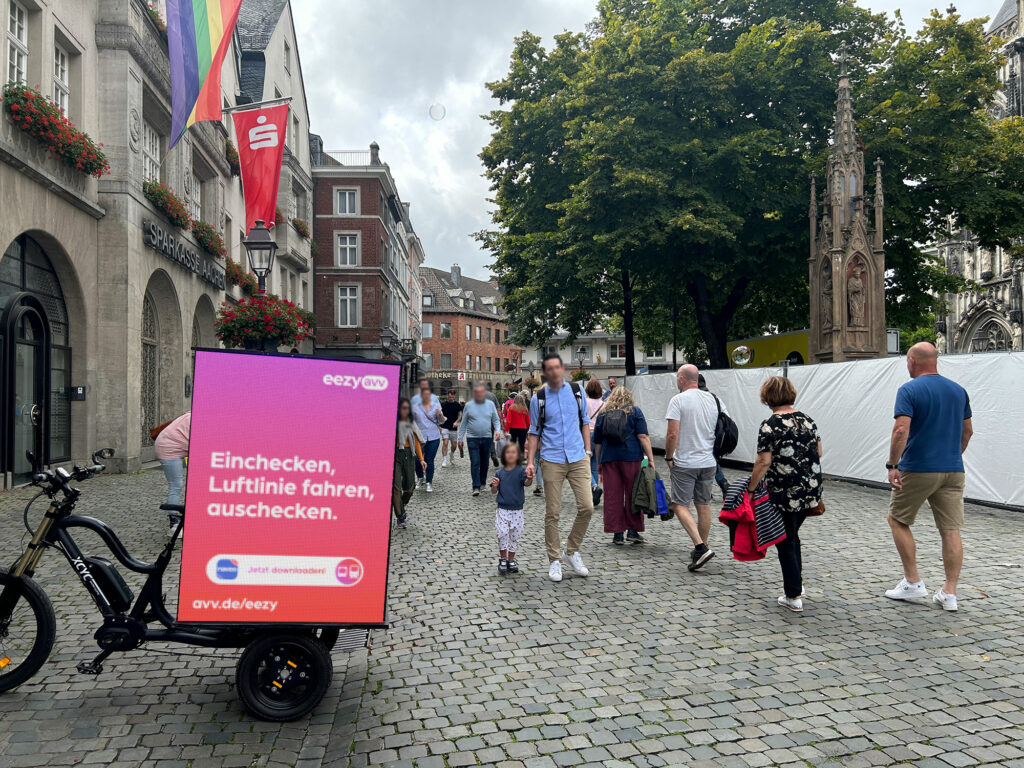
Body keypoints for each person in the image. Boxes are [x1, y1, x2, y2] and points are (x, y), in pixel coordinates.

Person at [884, 342, 973, 612]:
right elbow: (967, 431)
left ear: (912, 361)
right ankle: (949, 593)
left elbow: (901, 429)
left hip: (918, 467)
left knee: (897, 519)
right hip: (953, 469)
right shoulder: (959, 391)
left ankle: (913, 582)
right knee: (950, 529)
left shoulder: (909, 390)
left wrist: (892, 464)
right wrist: (952, 454)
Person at [746, 377, 823, 613]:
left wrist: (750, 488)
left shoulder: (770, 425)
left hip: (784, 491)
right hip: (810, 488)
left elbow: (763, 461)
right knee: (791, 536)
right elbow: (819, 451)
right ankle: (796, 583)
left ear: (767, 397)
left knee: (785, 540)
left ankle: (793, 594)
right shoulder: (807, 420)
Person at [526, 353, 594, 583]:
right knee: (552, 512)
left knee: (587, 507)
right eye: (550, 369)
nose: (554, 372)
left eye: (558, 367)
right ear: (545, 373)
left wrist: (587, 451)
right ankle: (555, 559)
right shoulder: (539, 399)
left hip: (577, 457)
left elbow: (585, 421)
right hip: (552, 458)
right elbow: (534, 432)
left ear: (562, 368)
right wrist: (529, 463)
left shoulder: (576, 391)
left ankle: (572, 550)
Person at [665, 364, 727, 572]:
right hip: (709, 461)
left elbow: (672, 434)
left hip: (685, 461)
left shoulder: (678, 400)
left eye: (677, 377)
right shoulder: (714, 399)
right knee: (704, 504)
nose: (676, 380)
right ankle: (703, 546)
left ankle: (700, 547)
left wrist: (668, 456)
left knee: (679, 505)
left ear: (682, 379)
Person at [594, 387, 656, 545]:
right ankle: (633, 531)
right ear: (629, 397)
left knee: (612, 496)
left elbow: (598, 441)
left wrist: (600, 461)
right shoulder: (635, 412)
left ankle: (617, 533)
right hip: (631, 457)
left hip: (609, 458)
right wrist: (650, 459)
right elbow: (643, 436)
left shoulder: (603, 413)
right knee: (633, 493)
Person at [490, 442, 532, 575]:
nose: (510, 455)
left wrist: (530, 478)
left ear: (518, 455)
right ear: (503, 455)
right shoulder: (499, 472)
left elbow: (526, 483)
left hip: (517, 509)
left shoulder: (520, 471)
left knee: (515, 535)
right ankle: (502, 558)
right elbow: (493, 491)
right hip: (502, 509)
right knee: (502, 533)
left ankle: (511, 559)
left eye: (513, 452)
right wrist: (495, 485)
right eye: (508, 452)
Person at [457, 383, 502, 496]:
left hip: (487, 438)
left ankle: (482, 482)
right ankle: (476, 486)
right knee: (475, 462)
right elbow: (463, 423)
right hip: (472, 438)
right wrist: (460, 438)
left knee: (485, 463)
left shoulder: (490, 404)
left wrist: (497, 431)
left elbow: (496, 420)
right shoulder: (469, 405)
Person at [393, 398, 426, 529]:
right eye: (403, 408)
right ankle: (400, 517)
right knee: (396, 488)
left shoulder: (410, 422)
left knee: (410, 488)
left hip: (408, 454)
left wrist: (422, 459)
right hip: (394, 455)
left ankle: (400, 504)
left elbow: (416, 442)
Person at [154, 411, 190, 533]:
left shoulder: (194, 415)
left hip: (178, 446)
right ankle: (174, 523)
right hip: (169, 449)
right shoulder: (197, 420)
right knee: (176, 485)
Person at [698, 374, 731, 498]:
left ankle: (713, 486)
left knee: (704, 462)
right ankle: (721, 484)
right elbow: (727, 417)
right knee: (711, 461)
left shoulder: (695, 399)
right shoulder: (715, 398)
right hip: (716, 436)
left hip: (702, 436)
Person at [412, 384, 444, 492]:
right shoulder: (415, 407)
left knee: (429, 460)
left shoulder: (436, 405)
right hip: (419, 437)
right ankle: (420, 477)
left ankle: (429, 482)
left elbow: (442, 421)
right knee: (417, 459)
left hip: (433, 436)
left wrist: (440, 415)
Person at [440, 390, 463, 467]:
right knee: (445, 443)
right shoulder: (443, 404)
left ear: (454, 396)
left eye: (452, 397)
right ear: (447, 396)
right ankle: (444, 460)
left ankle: (451, 454)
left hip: (453, 428)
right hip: (445, 426)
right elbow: (440, 414)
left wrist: (457, 422)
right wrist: (441, 418)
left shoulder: (457, 405)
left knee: (454, 446)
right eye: (449, 396)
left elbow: (460, 415)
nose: (451, 398)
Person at [484, 383, 503, 466]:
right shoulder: (493, 396)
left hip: (481, 421)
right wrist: (500, 420)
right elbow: (498, 409)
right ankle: (493, 454)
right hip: (491, 420)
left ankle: (486, 456)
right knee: (490, 438)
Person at [506, 391, 531, 455]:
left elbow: (508, 420)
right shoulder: (525, 409)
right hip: (523, 428)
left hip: (513, 428)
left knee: (513, 443)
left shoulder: (511, 408)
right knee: (522, 444)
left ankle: (513, 455)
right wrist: (528, 428)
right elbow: (527, 421)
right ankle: (521, 456)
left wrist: (506, 430)